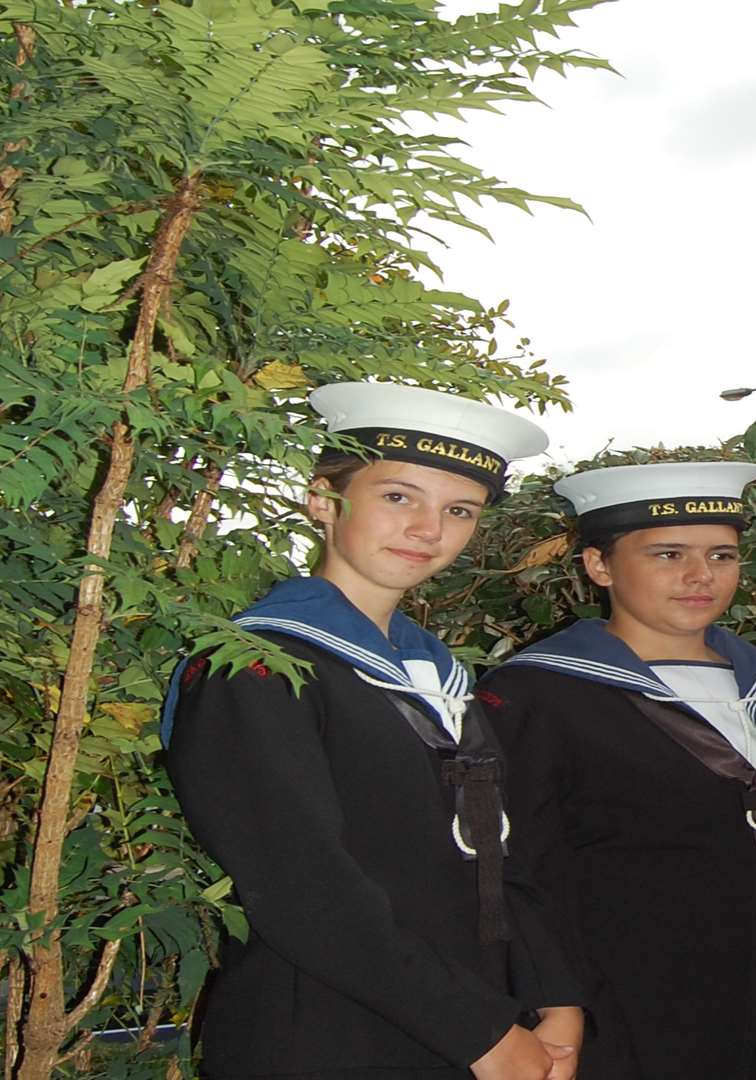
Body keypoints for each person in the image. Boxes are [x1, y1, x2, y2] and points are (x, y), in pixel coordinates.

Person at [163, 381, 586, 1080]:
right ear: (323, 502)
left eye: (458, 511)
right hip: (326, 1034)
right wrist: (480, 1034)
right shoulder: (256, 667)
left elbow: (496, 849)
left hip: (472, 1022)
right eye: (398, 497)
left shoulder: (436, 675)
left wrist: (554, 992)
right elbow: (304, 889)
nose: (428, 529)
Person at [479, 462, 756, 1080]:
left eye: (722, 555)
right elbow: (525, 875)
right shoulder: (535, 697)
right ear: (599, 566)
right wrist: (556, 1007)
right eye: (668, 554)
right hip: (623, 1027)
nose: (701, 576)